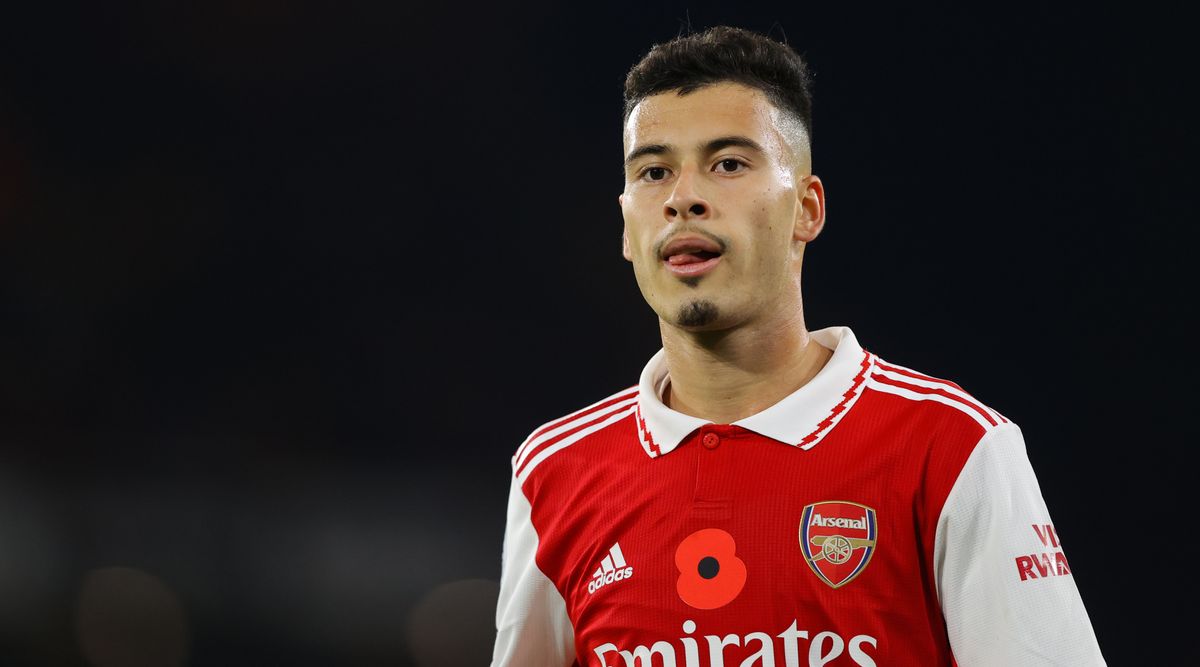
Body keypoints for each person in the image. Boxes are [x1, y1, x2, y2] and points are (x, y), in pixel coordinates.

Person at [492, 25, 1105, 667]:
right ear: (626, 224)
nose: (682, 199)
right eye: (653, 172)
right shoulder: (553, 473)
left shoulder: (951, 448)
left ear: (807, 209)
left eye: (728, 163)